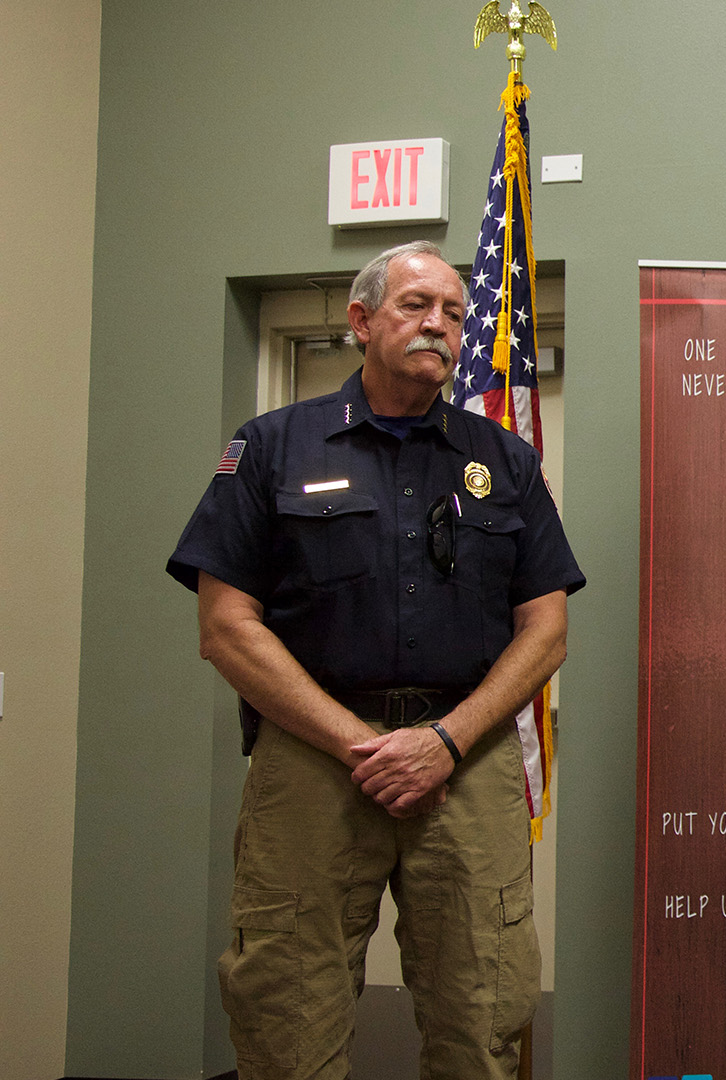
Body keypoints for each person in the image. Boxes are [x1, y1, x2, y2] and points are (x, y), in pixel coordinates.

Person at [167, 240, 585, 1079]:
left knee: (482, 1020)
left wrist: (445, 741)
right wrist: (359, 743)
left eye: (456, 314)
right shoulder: (273, 449)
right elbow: (226, 627)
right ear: (361, 321)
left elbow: (546, 631)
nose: (440, 325)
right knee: (287, 1018)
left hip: (465, 763)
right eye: (416, 306)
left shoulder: (502, 460)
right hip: (317, 762)